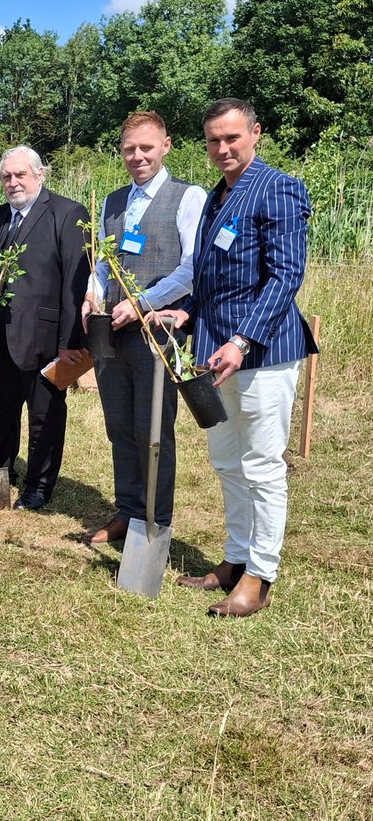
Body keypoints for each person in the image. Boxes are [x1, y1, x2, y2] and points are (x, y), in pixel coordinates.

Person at [158, 98, 317, 618]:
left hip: (262, 351)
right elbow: (208, 272)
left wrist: (243, 339)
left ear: (256, 133)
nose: (222, 149)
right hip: (212, 349)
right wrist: (188, 312)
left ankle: (259, 575)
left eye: (232, 138)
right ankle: (234, 558)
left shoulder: (279, 187)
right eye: (213, 140)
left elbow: (286, 276)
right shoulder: (217, 195)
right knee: (227, 461)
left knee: (262, 465)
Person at [80, 112, 206, 543]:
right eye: (130, 148)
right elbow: (101, 261)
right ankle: (128, 510)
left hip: (156, 332)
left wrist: (142, 303)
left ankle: (156, 521)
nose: (137, 156)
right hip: (110, 331)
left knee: (153, 430)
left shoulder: (188, 197)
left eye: (146, 148)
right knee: (119, 425)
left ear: (166, 146)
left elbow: (192, 270)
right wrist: (91, 294)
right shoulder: (113, 200)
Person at [0, 146, 90, 510]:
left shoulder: (67, 214)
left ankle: (39, 485)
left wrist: (70, 341)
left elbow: (75, 284)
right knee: (0, 408)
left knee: (45, 413)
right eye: (7, 177)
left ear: (39, 175)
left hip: (46, 338)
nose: (13, 183)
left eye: (20, 175)